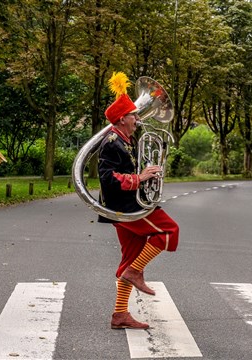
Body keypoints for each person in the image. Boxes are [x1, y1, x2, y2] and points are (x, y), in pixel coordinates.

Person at [98, 72, 179, 330]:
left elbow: (131, 169)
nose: (138, 119)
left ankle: (120, 315)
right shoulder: (111, 142)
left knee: (130, 257)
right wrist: (140, 178)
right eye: (134, 115)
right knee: (170, 232)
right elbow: (108, 179)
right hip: (125, 207)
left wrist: (149, 171)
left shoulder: (125, 141)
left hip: (129, 205)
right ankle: (136, 272)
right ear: (122, 119)